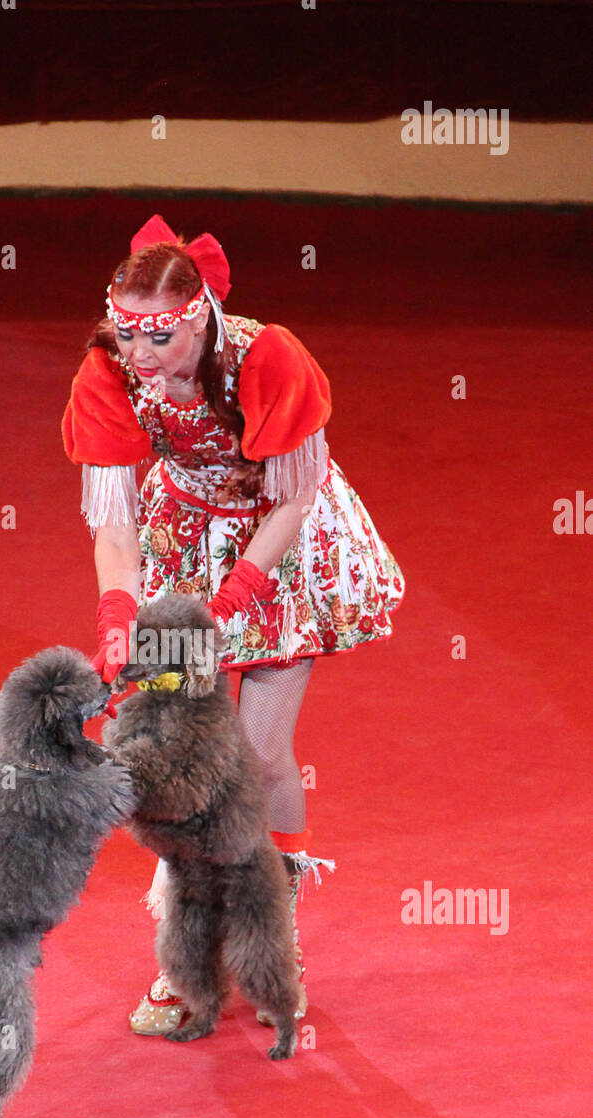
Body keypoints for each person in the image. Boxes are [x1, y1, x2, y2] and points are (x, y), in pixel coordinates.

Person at [61, 213, 405, 1035]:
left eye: (159, 342)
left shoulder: (266, 357)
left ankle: (270, 942)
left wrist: (236, 597)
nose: (139, 359)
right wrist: (119, 615)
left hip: (280, 545)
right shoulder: (110, 368)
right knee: (184, 767)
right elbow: (113, 526)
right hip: (181, 541)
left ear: (198, 316)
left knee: (257, 754)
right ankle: (190, 962)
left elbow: (292, 497)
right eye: (128, 338)